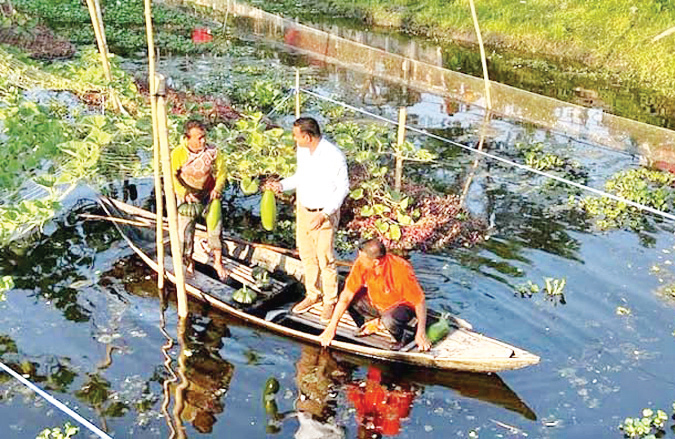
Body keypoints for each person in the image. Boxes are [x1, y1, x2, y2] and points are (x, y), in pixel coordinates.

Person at [268, 117, 349, 322]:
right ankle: (313, 294)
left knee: (325, 257)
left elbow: (343, 189)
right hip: (304, 209)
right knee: (306, 254)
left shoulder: (333, 156)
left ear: (307, 136)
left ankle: (330, 300)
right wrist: (281, 185)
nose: (294, 140)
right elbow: (300, 177)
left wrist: (324, 214)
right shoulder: (304, 152)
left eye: (296, 136)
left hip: (324, 213)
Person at [318, 238, 432, 351]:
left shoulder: (400, 269)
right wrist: (332, 327)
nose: (358, 261)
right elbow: (346, 296)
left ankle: (401, 338)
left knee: (389, 319)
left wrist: (421, 332)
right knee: (346, 294)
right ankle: (372, 323)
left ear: (376, 262)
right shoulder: (361, 264)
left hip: (400, 308)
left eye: (362, 259)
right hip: (377, 304)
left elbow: (419, 301)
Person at [171, 119, 229, 280]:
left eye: (204, 136)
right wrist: (183, 192)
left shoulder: (213, 151)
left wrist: (217, 188)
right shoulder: (178, 153)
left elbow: (222, 171)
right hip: (187, 198)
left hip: (208, 194)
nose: (203, 140)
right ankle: (189, 262)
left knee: (215, 229)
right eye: (199, 138)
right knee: (186, 233)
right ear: (188, 138)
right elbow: (171, 176)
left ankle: (218, 262)